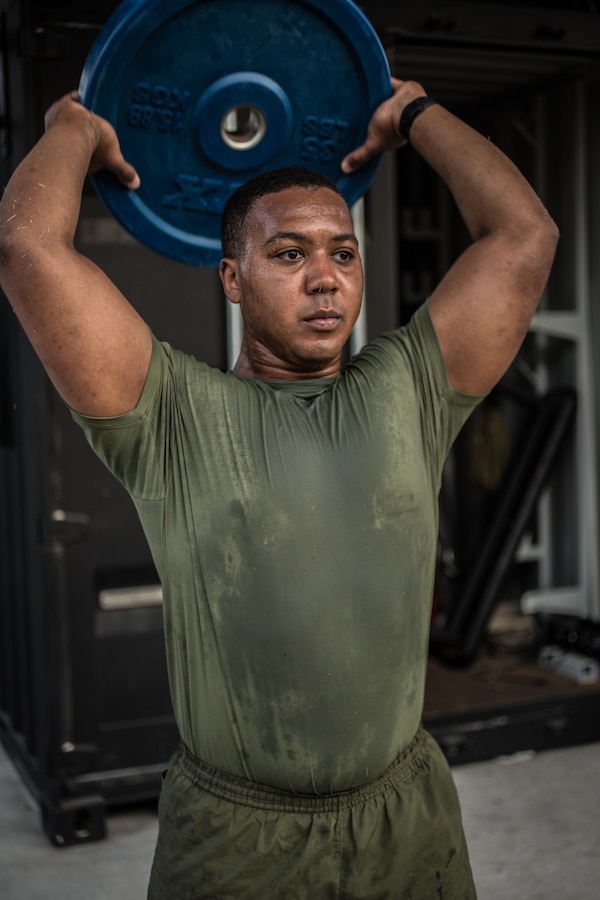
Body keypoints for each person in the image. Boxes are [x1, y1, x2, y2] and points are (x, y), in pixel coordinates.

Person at [0, 74, 557, 899]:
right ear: (232, 280)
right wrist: (72, 123)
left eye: (341, 251)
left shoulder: (409, 390)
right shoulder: (171, 416)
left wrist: (412, 114)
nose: (325, 277)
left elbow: (523, 234)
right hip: (238, 840)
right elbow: (29, 250)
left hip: (408, 821)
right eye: (289, 254)